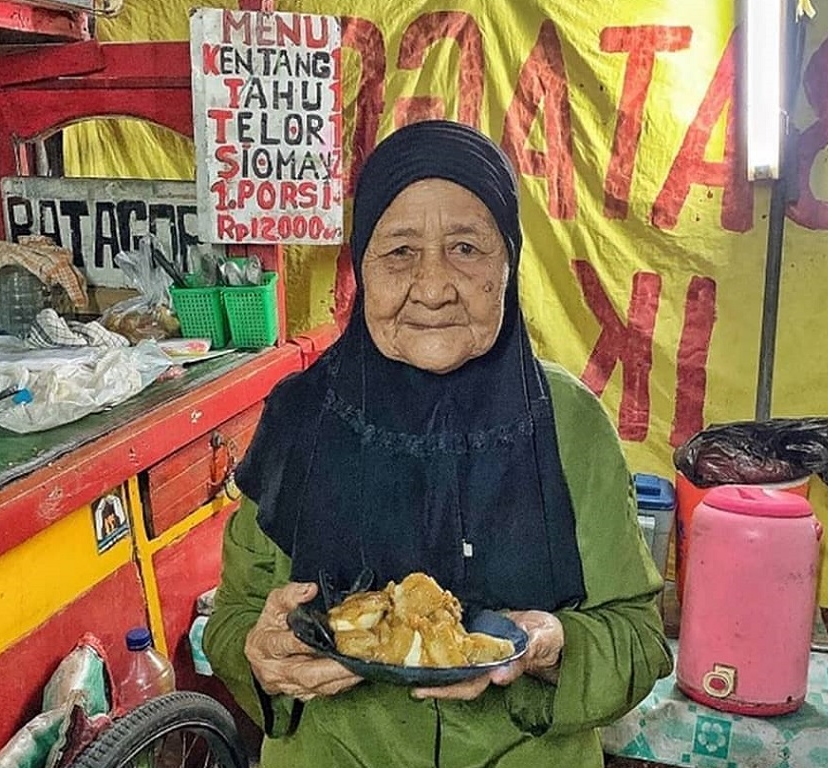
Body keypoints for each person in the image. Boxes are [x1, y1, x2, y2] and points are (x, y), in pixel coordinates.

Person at [204, 119, 673, 768]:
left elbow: (639, 641)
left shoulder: (569, 424)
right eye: (398, 251)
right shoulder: (303, 417)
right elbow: (234, 621)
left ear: (508, 263)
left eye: (466, 248)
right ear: (362, 267)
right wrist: (261, 657)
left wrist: (548, 644)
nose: (431, 286)